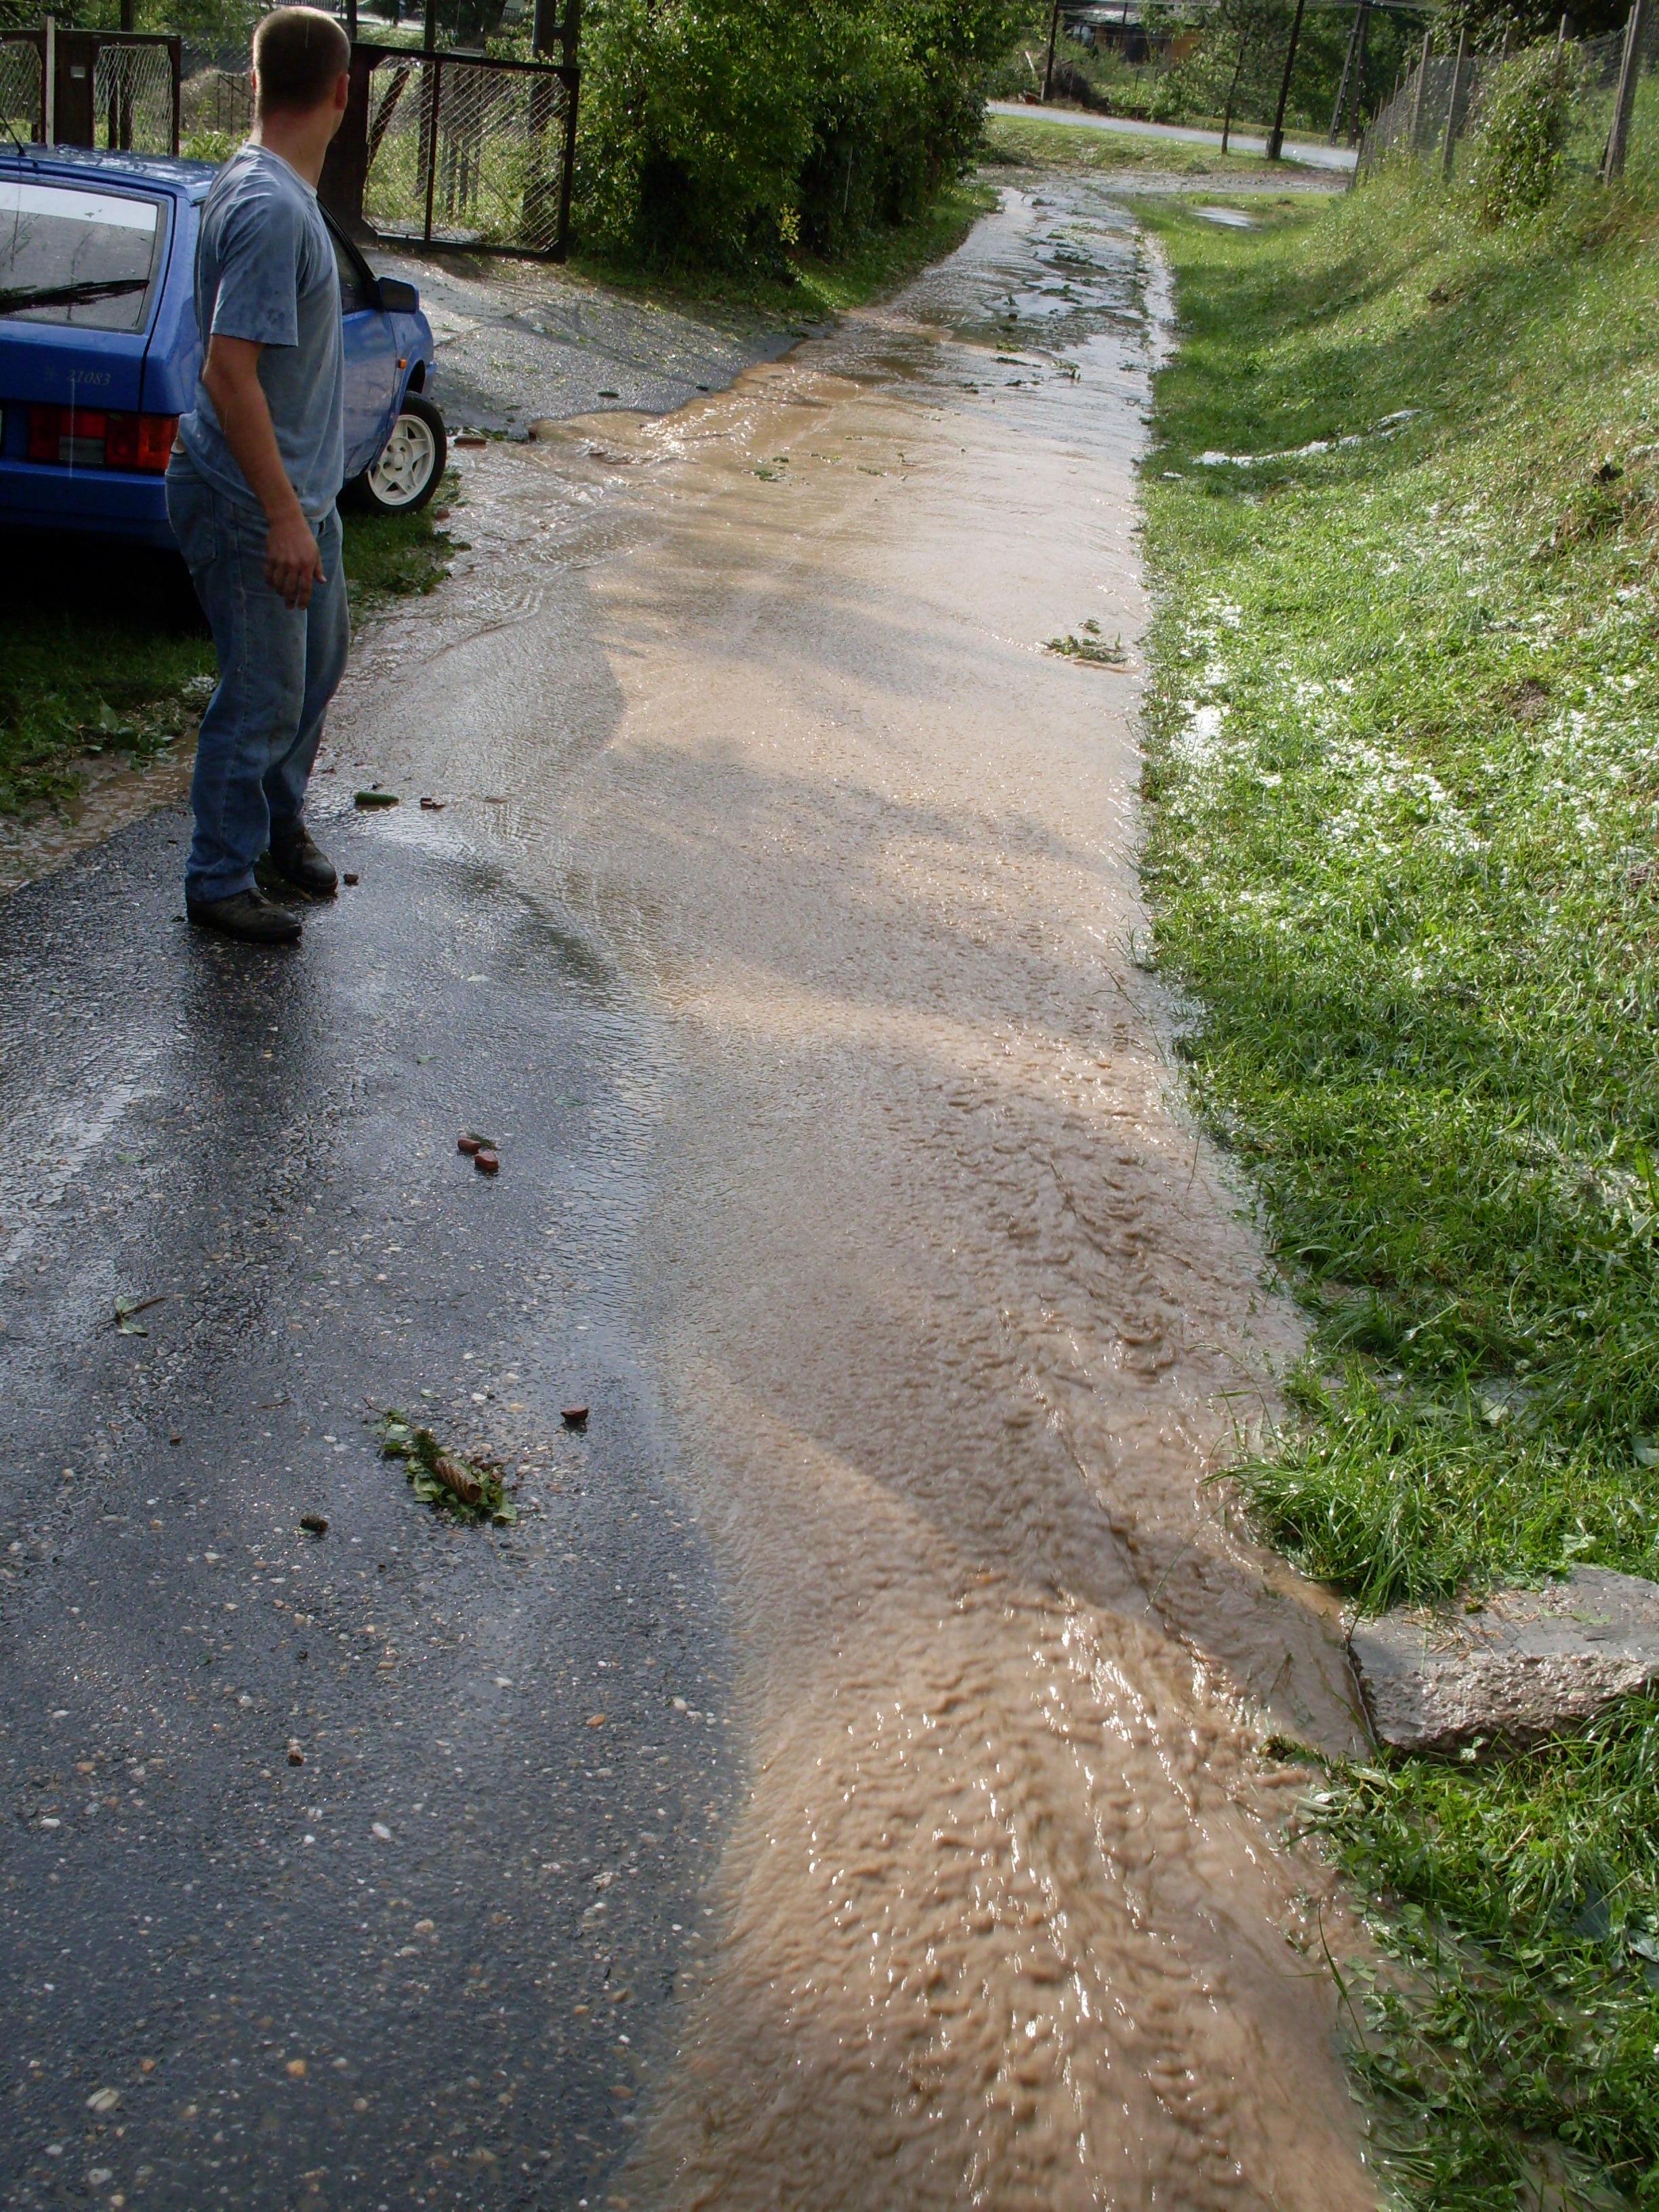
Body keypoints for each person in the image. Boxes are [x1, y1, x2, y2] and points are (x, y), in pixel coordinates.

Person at [166, 6, 352, 946]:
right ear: (342, 93)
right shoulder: (273, 209)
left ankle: (277, 826)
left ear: (254, 83)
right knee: (263, 694)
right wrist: (281, 515)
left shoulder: (270, 185)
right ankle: (219, 876)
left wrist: (305, 507)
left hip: (302, 496)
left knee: (315, 669)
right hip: (253, 502)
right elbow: (226, 373)